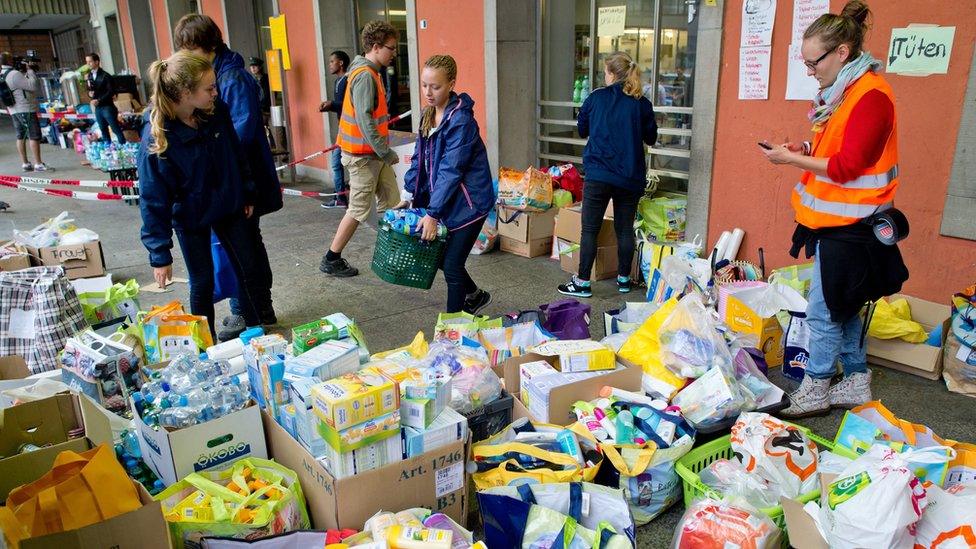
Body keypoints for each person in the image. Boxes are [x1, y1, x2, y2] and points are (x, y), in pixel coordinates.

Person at [761, 0, 908, 417]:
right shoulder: (845, 91)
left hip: (854, 222)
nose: (810, 71)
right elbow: (835, 148)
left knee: (824, 309)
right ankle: (857, 380)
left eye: (814, 62)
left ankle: (817, 387)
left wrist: (790, 161)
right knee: (844, 303)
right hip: (838, 221)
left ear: (842, 52)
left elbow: (848, 166)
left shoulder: (871, 96)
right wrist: (803, 148)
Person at [137, 51, 268, 338]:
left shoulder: (215, 111)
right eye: (209, 88)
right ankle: (205, 346)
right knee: (203, 281)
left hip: (230, 204)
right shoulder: (157, 137)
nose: (215, 93)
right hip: (192, 216)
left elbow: (236, 153)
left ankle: (257, 335)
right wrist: (159, 254)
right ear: (185, 93)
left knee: (247, 270)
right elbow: (152, 198)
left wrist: (247, 191)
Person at [173, 14, 282, 340]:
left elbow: (241, 135)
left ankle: (251, 311)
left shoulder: (230, 78)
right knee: (243, 251)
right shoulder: (220, 74)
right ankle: (257, 311)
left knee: (244, 253)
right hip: (231, 184)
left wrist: (239, 185)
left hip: (235, 184)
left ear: (205, 46)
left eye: (190, 48)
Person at [558, 51, 656, 298]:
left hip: (599, 174)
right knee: (624, 229)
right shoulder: (642, 104)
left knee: (589, 229)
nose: (605, 75)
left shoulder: (595, 98)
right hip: (629, 177)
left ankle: (582, 283)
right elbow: (651, 138)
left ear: (611, 73)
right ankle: (623, 280)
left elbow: (582, 130)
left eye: (605, 71)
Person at [404, 55, 495, 314]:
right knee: (444, 260)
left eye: (436, 86)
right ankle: (475, 296)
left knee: (452, 264)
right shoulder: (427, 115)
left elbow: (451, 170)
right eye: (424, 85)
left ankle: (452, 330)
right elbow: (419, 158)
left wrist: (433, 213)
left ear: (451, 84)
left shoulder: (461, 121)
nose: (428, 92)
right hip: (448, 200)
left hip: (469, 202)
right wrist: (408, 191)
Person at [320, 20, 404, 278]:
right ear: (376, 47)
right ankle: (331, 258)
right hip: (363, 158)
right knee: (358, 210)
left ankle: (393, 253)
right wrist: (385, 151)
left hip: (370, 156)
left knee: (393, 203)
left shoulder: (367, 72)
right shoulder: (365, 76)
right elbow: (366, 120)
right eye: (391, 48)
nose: (394, 54)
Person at [1, 52, 51, 172]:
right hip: (24, 108)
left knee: (20, 136)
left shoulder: (2, 74)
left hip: (13, 110)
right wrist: (30, 71)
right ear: (9, 61)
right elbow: (32, 86)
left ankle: (25, 163)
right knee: (33, 136)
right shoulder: (14, 74)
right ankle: (38, 164)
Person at [318, 50, 350, 209]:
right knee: (337, 163)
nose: (330, 64)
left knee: (337, 163)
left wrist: (332, 104)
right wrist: (330, 106)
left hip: (348, 131)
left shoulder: (347, 80)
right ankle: (341, 197)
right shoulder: (337, 81)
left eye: (332, 61)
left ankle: (341, 198)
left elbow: (348, 105)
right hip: (342, 128)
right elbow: (340, 106)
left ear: (341, 63)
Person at [85, 53, 126, 144]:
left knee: (115, 128)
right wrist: (90, 94)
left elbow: (111, 91)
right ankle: (108, 149)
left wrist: (99, 100)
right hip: (98, 108)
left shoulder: (105, 76)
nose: (88, 64)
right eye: (87, 62)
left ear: (97, 62)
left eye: (90, 62)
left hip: (107, 106)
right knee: (103, 129)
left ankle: (123, 147)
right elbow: (88, 90)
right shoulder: (89, 76)